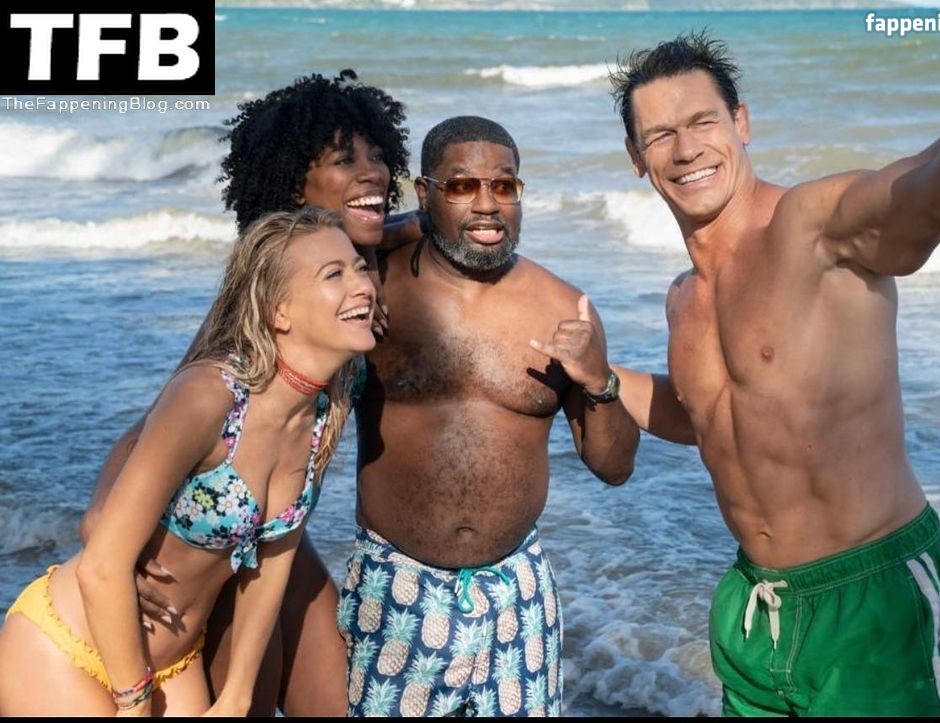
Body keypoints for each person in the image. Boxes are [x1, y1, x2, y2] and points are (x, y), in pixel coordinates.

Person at [606, 7, 940, 717]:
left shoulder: (813, 229)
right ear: (636, 157)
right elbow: (707, 414)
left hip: (876, 602)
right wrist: (601, 378)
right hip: (757, 611)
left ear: (742, 122)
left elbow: (939, 178)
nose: (685, 149)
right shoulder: (684, 298)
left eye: (703, 121)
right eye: (660, 135)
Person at [76, 70, 413, 716]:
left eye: (378, 156)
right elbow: (166, 415)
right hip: (226, 539)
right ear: (294, 190)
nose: (372, 173)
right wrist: (101, 522)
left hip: (281, 529)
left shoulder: (368, 263)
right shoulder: (267, 301)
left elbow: (417, 223)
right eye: (345, 161)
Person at [0, 207, 377, 715]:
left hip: (175, 664)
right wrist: (133, 703)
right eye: (335, 274)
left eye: (359, 268)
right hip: (68, 648)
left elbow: (274, 557)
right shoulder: (208, 396)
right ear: (279, 311)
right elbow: (101, 565)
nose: (362, 286)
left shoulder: (325, 409)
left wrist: (238, 693)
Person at [337, 115, 640, 717]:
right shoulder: (373, 290)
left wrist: (599, 381)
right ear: (425, 194)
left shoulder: (565, 309)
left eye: (504, 186)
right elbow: (301, 244)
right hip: (394, 590)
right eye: (461, 186)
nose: (487, 205)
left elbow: (615, 466)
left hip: (518, 597)